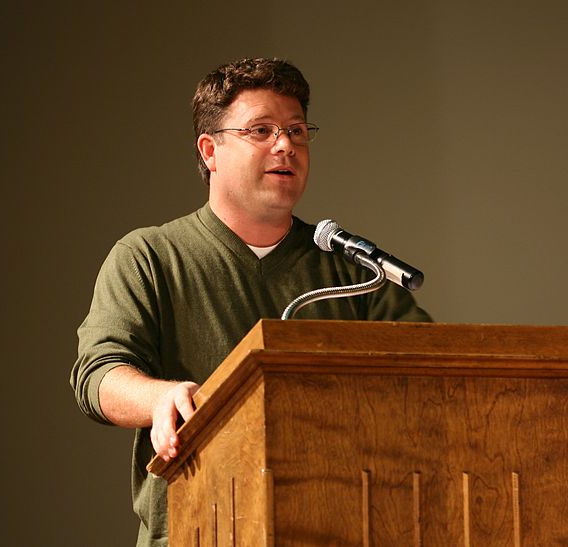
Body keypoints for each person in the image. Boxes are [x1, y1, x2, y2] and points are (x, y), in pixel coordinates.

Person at [70, 57, 430, 546]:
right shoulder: (149, 255)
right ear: (210, 150)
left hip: (338, 527)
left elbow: (431, 371)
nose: (286, 145)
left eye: (297, 131)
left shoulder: (352, 270)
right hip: (198, 526)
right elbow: (99, 375)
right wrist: (162, 398)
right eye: (260, 130)